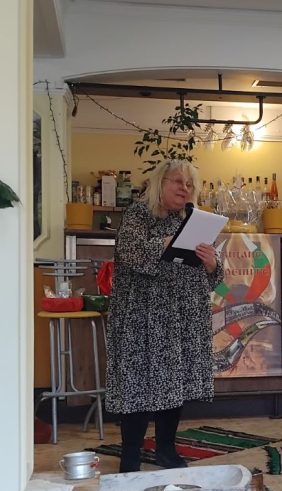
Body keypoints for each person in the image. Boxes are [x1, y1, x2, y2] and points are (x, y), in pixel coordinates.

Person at [105, 159, 223, 472]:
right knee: (138, 384)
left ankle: (166, 451)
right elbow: (130, 253)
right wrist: (165, 243)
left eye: (190, 184)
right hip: (143, 316)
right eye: (178, 182)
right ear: (161, 183)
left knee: (174, 384)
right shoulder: (139, 214)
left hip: (183, 317)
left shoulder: (194, 219)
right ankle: (131, 455)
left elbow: (214, 275)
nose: (184, 189)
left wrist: (211, 262)